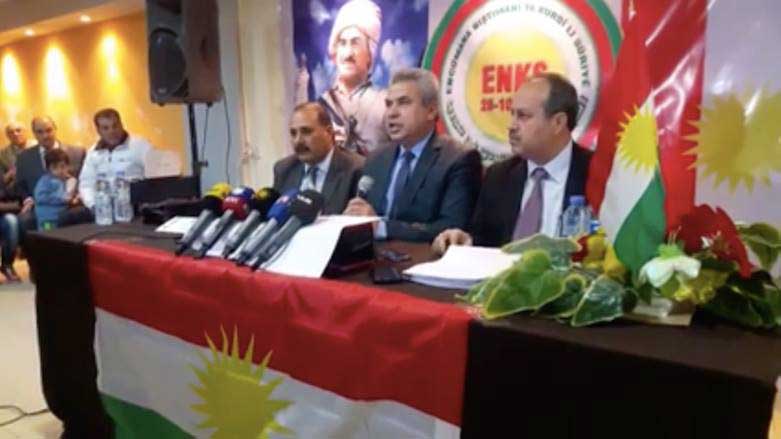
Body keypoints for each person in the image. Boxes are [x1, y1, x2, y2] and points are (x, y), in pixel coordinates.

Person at [432, 73, 593, 254]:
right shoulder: (499, 176)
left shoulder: (598, 174)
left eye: (523, 116)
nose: (512, 126)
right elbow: (484, 240)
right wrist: (465, 241)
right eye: (512, 114)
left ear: (558, 122)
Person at [343, 68, 482, 242]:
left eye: (403, 103)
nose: (392, 113)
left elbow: (451, 229)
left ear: (431, 111)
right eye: (389, 104)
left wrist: (382, 228)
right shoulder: (376, 158)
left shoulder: (458, 159)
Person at [295, 0, 389, 154]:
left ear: (370, 54)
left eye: (355, 43)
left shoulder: (386, 103)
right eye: (343, 43)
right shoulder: (321, 106)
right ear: (335, 52)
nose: (348, 53)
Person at [273, 102, 364, 214]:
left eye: (306, 132)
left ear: (329, 132)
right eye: (293, 133)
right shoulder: (284, 169)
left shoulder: (356, 170)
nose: (298, 141)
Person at [72, 108, 153, 225]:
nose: (112, 131)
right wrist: (93, 205)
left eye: (115, 126)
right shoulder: (93, 152)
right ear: (98, 131)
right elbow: (86, 184)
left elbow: (157, 176)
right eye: (106, 128)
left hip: (133, 207)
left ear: (121, 125)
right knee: (67, 218)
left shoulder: (140, 145)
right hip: (103, 208)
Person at [15, 117, 84, 235]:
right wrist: (27, 199)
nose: (45, 135)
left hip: (72, 206)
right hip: (41, 208)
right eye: (40, 132)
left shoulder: (77, 152)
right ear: (34, 134)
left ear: (55, 129)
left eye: (49, 130)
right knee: (25, 221)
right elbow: (20, 185)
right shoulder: (23, 157)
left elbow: (84, 180)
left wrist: (78, 195)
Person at [33, 149, 78, 230]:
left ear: (68, 166)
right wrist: (62, 199)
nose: (60, 170)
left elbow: (69, 195)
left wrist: (74, 197)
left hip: (61, 218)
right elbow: (40, 197)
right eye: (55, 168)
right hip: (47, 219)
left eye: (63, 166)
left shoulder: (67, 180)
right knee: (48, 235)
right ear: (48, 169)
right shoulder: (45, 180)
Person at [0, 122, 34, 192]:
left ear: (25, 132)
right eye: (11, 132)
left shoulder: (38, 145)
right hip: (17, 189)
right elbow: (2, 180)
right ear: (7, 136)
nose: (15, 134)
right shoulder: (3, 154)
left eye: (18, 130)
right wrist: (10, 173)